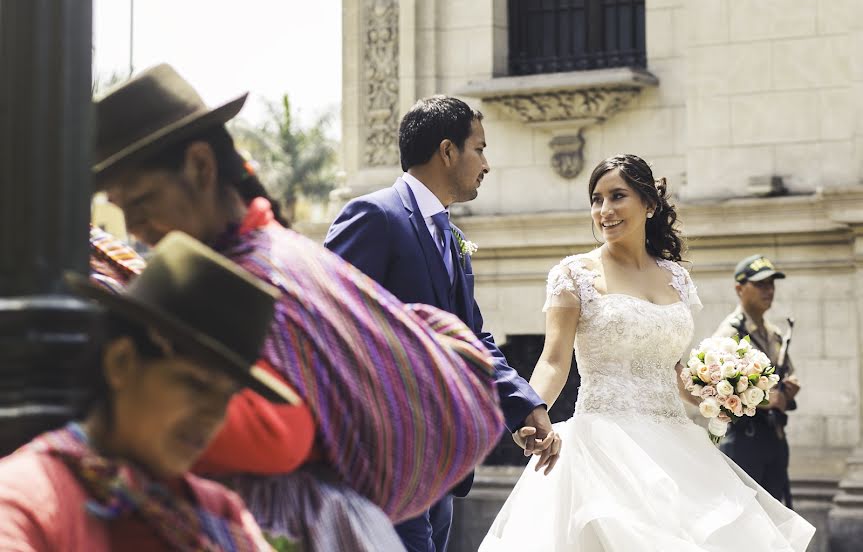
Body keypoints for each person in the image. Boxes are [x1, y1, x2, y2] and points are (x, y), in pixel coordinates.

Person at [92, 64, 504, 550]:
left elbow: (279, 432)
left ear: (201, 168)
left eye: (142, 201)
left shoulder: (257, 276)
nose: (134, 226)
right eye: (123, 209)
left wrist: (112, 409)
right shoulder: (270, 255)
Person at [480, 155, 815, 551]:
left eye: (617, 196)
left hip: (676, 445)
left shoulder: (677, 277)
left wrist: (720, 394)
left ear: (649, 204)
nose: (604, 211)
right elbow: (554, 361)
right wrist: (532, 413)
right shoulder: (573, 276)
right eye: (596, 199)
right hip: (602, 446)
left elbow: (674, 372)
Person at [324, 95, 559, 552]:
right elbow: (329, 322)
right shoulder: (374, 216)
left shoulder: (450, 233)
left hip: (441, 467)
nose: (487, 164)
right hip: (387, 462)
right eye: (481, 149)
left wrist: (524, 405)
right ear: (448, 151)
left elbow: (470, 338)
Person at [0, 231, 291, 551]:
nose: (213, 416)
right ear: (121, 362)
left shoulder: (221, 514)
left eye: (227, 397)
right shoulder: (24, 504)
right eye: (195, 384)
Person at [714, 254, 801, 508]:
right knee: (746, 518)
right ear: (740, 288)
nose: (769, 290)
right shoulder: (730, 333)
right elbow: (714, 390)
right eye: (761, 284)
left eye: (771, 284)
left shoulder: (772, 332)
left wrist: (789, 387)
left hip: (772, 436)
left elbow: (785, 373)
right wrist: (765, 399)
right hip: (743, 438)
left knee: (774, 516)